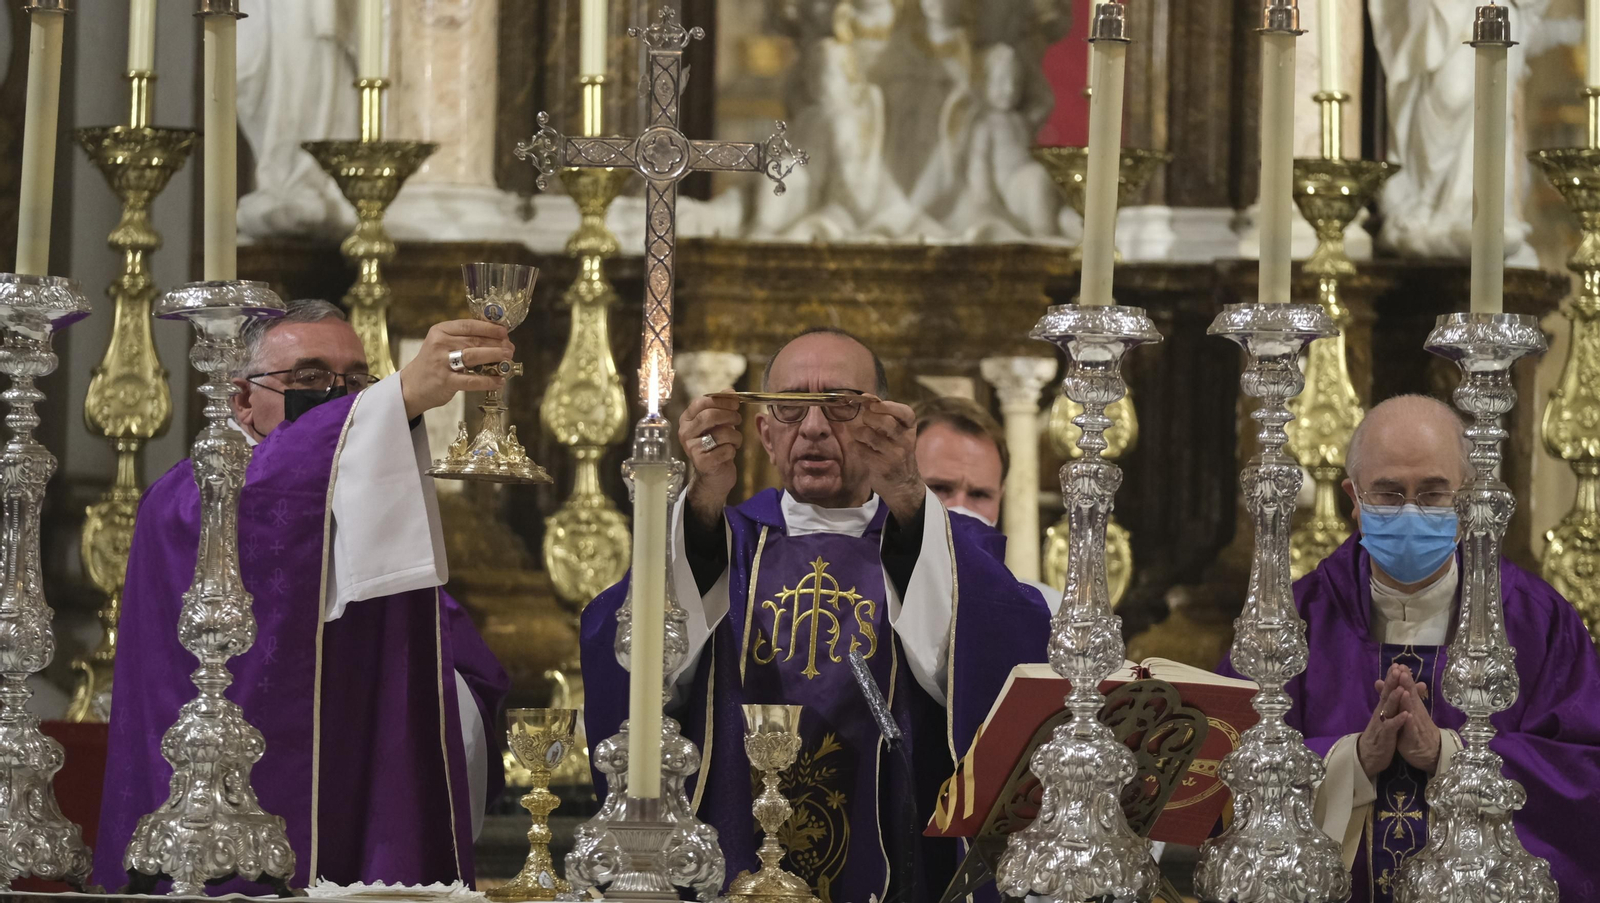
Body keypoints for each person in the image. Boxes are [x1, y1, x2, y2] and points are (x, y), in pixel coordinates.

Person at [581, 328, 1052, 903]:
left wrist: (907, 492)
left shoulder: (942, 543)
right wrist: (703, 498)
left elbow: (1007, 666)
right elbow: (631, 655)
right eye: (789, 407)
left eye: (840, 405)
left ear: (882, 423)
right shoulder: (721, 540)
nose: (812, 428)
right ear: (763, 430)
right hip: (734, 860)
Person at [97, 300, 513, 893]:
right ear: (241, 399)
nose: (341, 400)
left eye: (355, 383)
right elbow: (265, 497)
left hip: (354, 794)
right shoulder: (190, 499)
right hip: (223, 818)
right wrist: (397, 396)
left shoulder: (370, 502)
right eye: (310, 379)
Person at [1224, 395, 1600, 902]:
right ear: (1353, 499)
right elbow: (1225, 768)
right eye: (1387, 493)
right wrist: (1353, 759)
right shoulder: (1290, 620)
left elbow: (1584, 777)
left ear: (1467, 499)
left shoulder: (1536, 619)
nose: (1409, 511)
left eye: (1432, 494)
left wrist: (1449, 755)